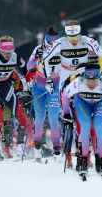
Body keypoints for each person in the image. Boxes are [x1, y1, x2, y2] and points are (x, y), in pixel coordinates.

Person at [61, 64, 102, 181]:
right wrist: (66, 115)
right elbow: (65, 96)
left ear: (99, 78)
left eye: (94, 81)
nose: (91, 84)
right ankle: (82, 160)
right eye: (88, 80)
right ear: (84, 77)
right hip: (82, 102)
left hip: (101, 102)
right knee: (85, 126)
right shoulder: (78, 82)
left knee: (98, 127)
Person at [26, 27, 62, 163]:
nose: (52, 42)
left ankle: (57, 152)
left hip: (54, 87)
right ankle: (37, 150)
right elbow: (29, 66)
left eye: (54, 39)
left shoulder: (61, 50)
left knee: (53, 118)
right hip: (39, 88)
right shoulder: (38, 49)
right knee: (39, 118)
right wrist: (36, 58)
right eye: (50, 39)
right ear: (46, 39)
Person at [42, 20, 102, 93]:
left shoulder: (88, 41)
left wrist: (101, 71)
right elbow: (45, 58)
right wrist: (49, 80)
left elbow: (101, 54)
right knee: (64, 95)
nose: (73, 39)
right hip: (66, 72)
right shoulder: (59, 43)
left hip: (83, 71)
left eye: (76, 36)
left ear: (79, 33)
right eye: (70, 37)